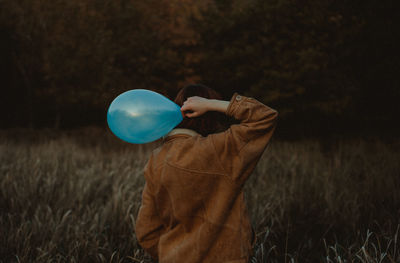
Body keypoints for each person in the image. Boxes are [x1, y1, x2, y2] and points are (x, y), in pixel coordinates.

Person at [135, 84, 278, 263]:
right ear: (210, 117)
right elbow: (265, 116)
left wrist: (172, 254)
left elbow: (146, 231)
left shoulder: (156, 161)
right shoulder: (221, 149)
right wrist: (213, 104)